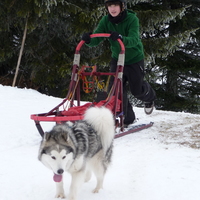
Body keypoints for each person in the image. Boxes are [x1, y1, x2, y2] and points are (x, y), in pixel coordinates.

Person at [81, 0, 156, 127]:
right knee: (116, 90)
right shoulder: (106, 20)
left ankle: (150, 98)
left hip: (134, 59)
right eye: (110, 6)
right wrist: (89, 39)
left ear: (122, 7)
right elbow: (97, 38)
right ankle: (127, 118)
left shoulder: (132, 19)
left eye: (115, 5)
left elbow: (134, 40)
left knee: (136, 90)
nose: (112, 8)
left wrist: (121, 37)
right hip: (117, 59)